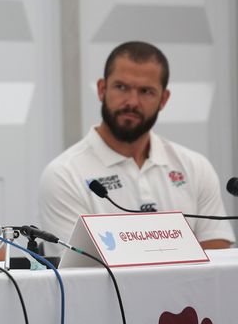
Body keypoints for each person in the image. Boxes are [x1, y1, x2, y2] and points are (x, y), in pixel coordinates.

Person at [38, 41, 235, 251]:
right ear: (102, 90)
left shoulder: (195, 167)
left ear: (164, 99)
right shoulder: (64, 175)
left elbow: (217, 260)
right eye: (121, 87)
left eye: (146, 91)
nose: (132, 101)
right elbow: (82, 273)